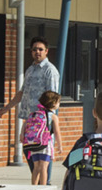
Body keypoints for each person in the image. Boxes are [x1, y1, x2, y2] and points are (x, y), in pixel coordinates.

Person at [4, 36, 61, 165]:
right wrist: (6, 108)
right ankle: (39, 183)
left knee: (43, 158)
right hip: (30, 120)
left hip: (43, 122)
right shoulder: (30, 70)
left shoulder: (50, 71)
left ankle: (45, 183)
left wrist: (50, 121)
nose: (37, 52)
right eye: (34, 49)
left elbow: (52, 98)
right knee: (30, 154)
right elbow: (22, 92)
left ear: (46, 51)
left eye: (40, 49)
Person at [21, 90, 60, 185]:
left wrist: (22, 135)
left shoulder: (35, 114)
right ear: (54, 103)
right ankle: (43, 187)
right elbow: (57, 132)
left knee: (36, 167)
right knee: (44, 167)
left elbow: (25, 124)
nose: (59, 104)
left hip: (34, 143)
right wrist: (60, 145)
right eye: (58, 102)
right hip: (45, 144)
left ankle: (33, 186)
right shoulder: (53, 116)